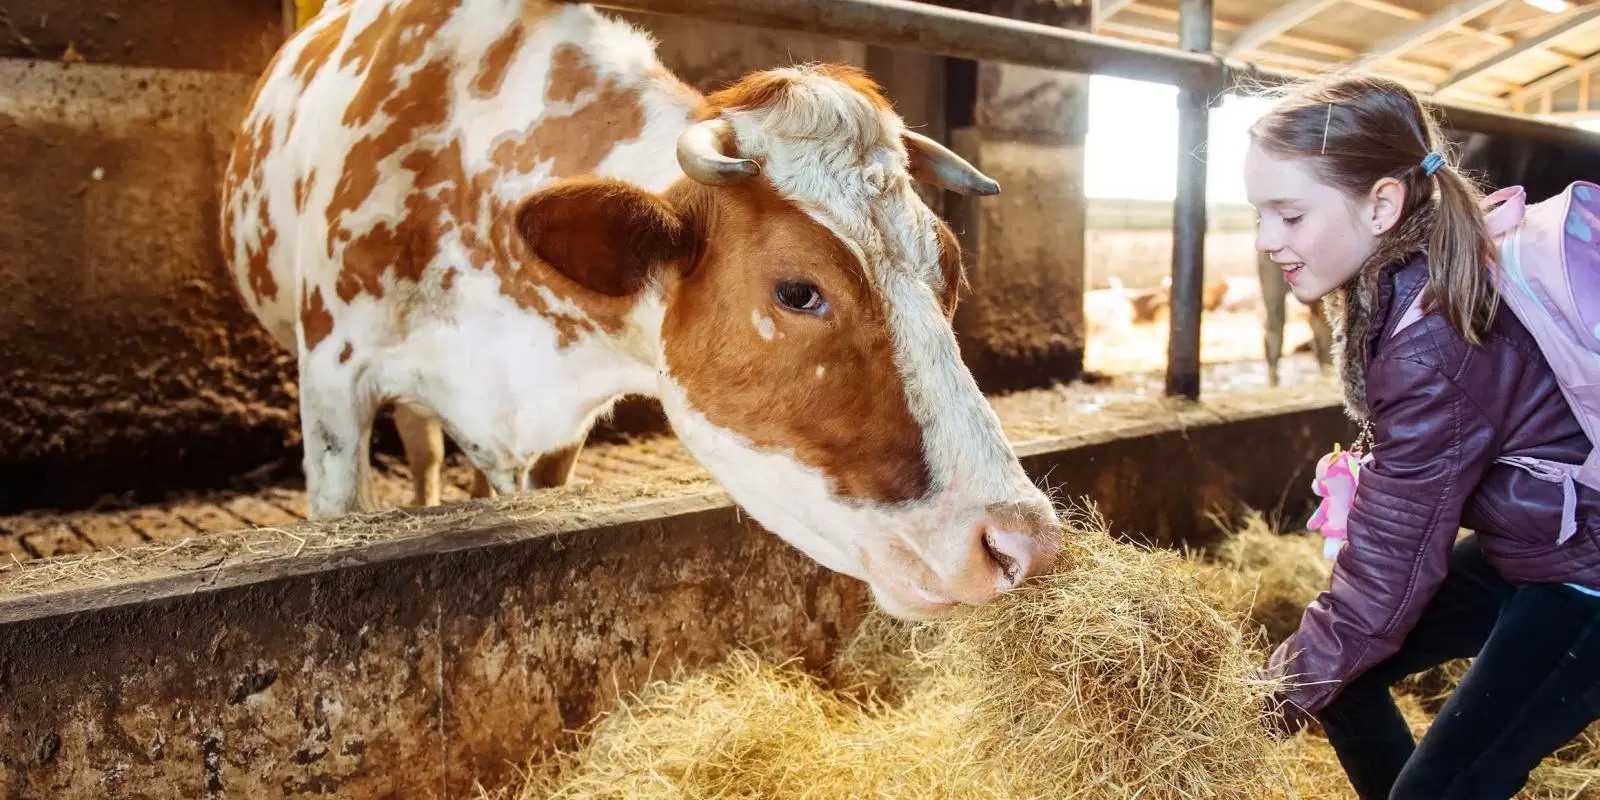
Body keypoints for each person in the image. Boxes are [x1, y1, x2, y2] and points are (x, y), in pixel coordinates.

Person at [1245, 74, 1600, 799]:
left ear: (1382, 203)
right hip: (1538, 540)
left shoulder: (1428, 340)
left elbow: (1392, 561)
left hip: (1585, 573)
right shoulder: (1408, 276)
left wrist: (1268, 697)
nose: (1265, 240)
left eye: (1288, 214)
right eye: (1259, 215)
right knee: (1346, 676)